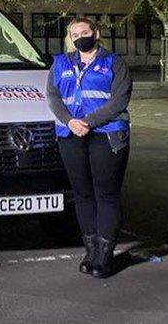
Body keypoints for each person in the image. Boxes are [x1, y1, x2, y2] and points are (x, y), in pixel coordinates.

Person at [46, 17, 132, 279]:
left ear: (96, 33)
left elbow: (119, 100)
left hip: (107, 135)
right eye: (75, 34)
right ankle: (91, 252)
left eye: (85, 32)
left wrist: (88, 122)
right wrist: (70, 121)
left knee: (106, 194)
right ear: (69, 38)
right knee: (82, 194)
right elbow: (53, 96)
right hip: (71, 134)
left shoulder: (114, 63)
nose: (80, 36)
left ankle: (105, 257)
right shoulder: (60, 63)